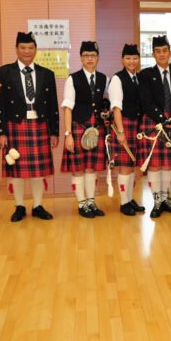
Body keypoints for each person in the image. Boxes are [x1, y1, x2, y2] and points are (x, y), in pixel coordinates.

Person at [0, 31, 59, 222]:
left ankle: (37, 205)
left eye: (31, 48)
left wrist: (54, 131)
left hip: (39, 124)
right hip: (15, 125)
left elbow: (53, 105)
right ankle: (20, 206)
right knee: (16, 172)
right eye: (23, 48)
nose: (27, 51)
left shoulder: (47, 74)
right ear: (16, 49)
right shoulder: (3, 72)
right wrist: (0, 132)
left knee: (38, 172)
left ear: (36, 49)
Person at [60, 41, 107, 218]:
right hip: (78, 127)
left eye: (93, 55)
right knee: (78, 168)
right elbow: (67, 108)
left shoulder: (103, 78)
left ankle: (91, 202)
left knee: (91, 168)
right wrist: (68, 135)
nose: (89, 59)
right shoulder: (72, 79)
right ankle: (82, 204)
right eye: (86, 56)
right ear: (81, 58)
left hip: (97, 128)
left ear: (97, 58)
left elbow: (105, 101)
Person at [139, 35, 171, 218]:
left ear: (170, 52)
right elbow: (146, 101)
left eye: (165, 50)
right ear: (153, 54)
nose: (162, 54)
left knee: (167, 164)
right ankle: (157, 201)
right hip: (153, 122)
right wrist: (163, 120)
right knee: (155, 165)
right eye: (158, 51)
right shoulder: (145, 75)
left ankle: (166, 199)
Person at [107, 44, 145, 216]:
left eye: (135, 58)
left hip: (135, 124)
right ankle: (124, 203)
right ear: (122, 60)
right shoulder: (117, 79)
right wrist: (120, 132)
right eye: (128, 58)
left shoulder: (137, 77)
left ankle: (129, 199)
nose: (132, 61)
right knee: (124, 166)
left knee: (131, 166)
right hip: (123, 125)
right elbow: (116, 107)